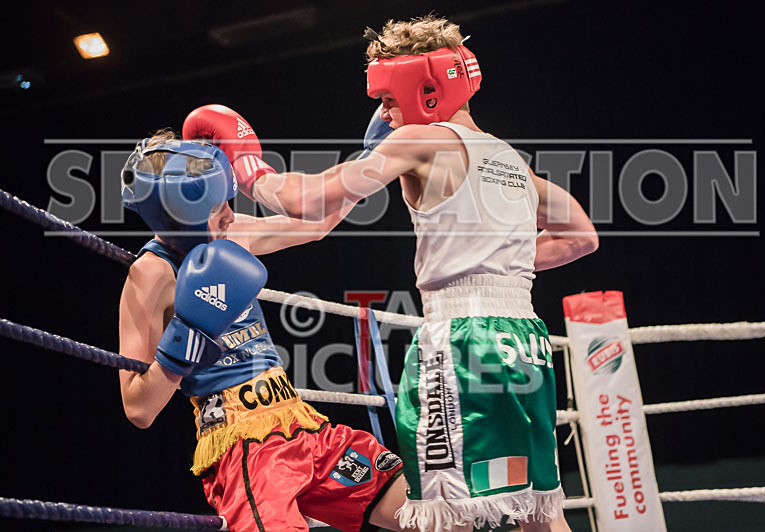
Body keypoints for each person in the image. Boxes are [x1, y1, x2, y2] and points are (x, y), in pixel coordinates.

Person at [191, 16, 597, 532]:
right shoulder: (510, 159)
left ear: (425, 89)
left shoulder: (420, 142)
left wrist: (252, 171)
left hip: (463, 345)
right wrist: (497, 256)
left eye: (387, 99)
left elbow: (310, 200)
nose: (384, 113)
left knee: (446, 516)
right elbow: (584, 236)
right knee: (536, 511)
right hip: (527, 346)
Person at [117, 121, 412, 532]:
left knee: (423, 511)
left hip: (303, 425)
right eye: (218, 207)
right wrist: (188, 335)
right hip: (242, 449)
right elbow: (138, 407)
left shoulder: (230, 237)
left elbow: (316, 224)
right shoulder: (150, 275)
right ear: (180, 217)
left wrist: (373, 159)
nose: (230, 214)